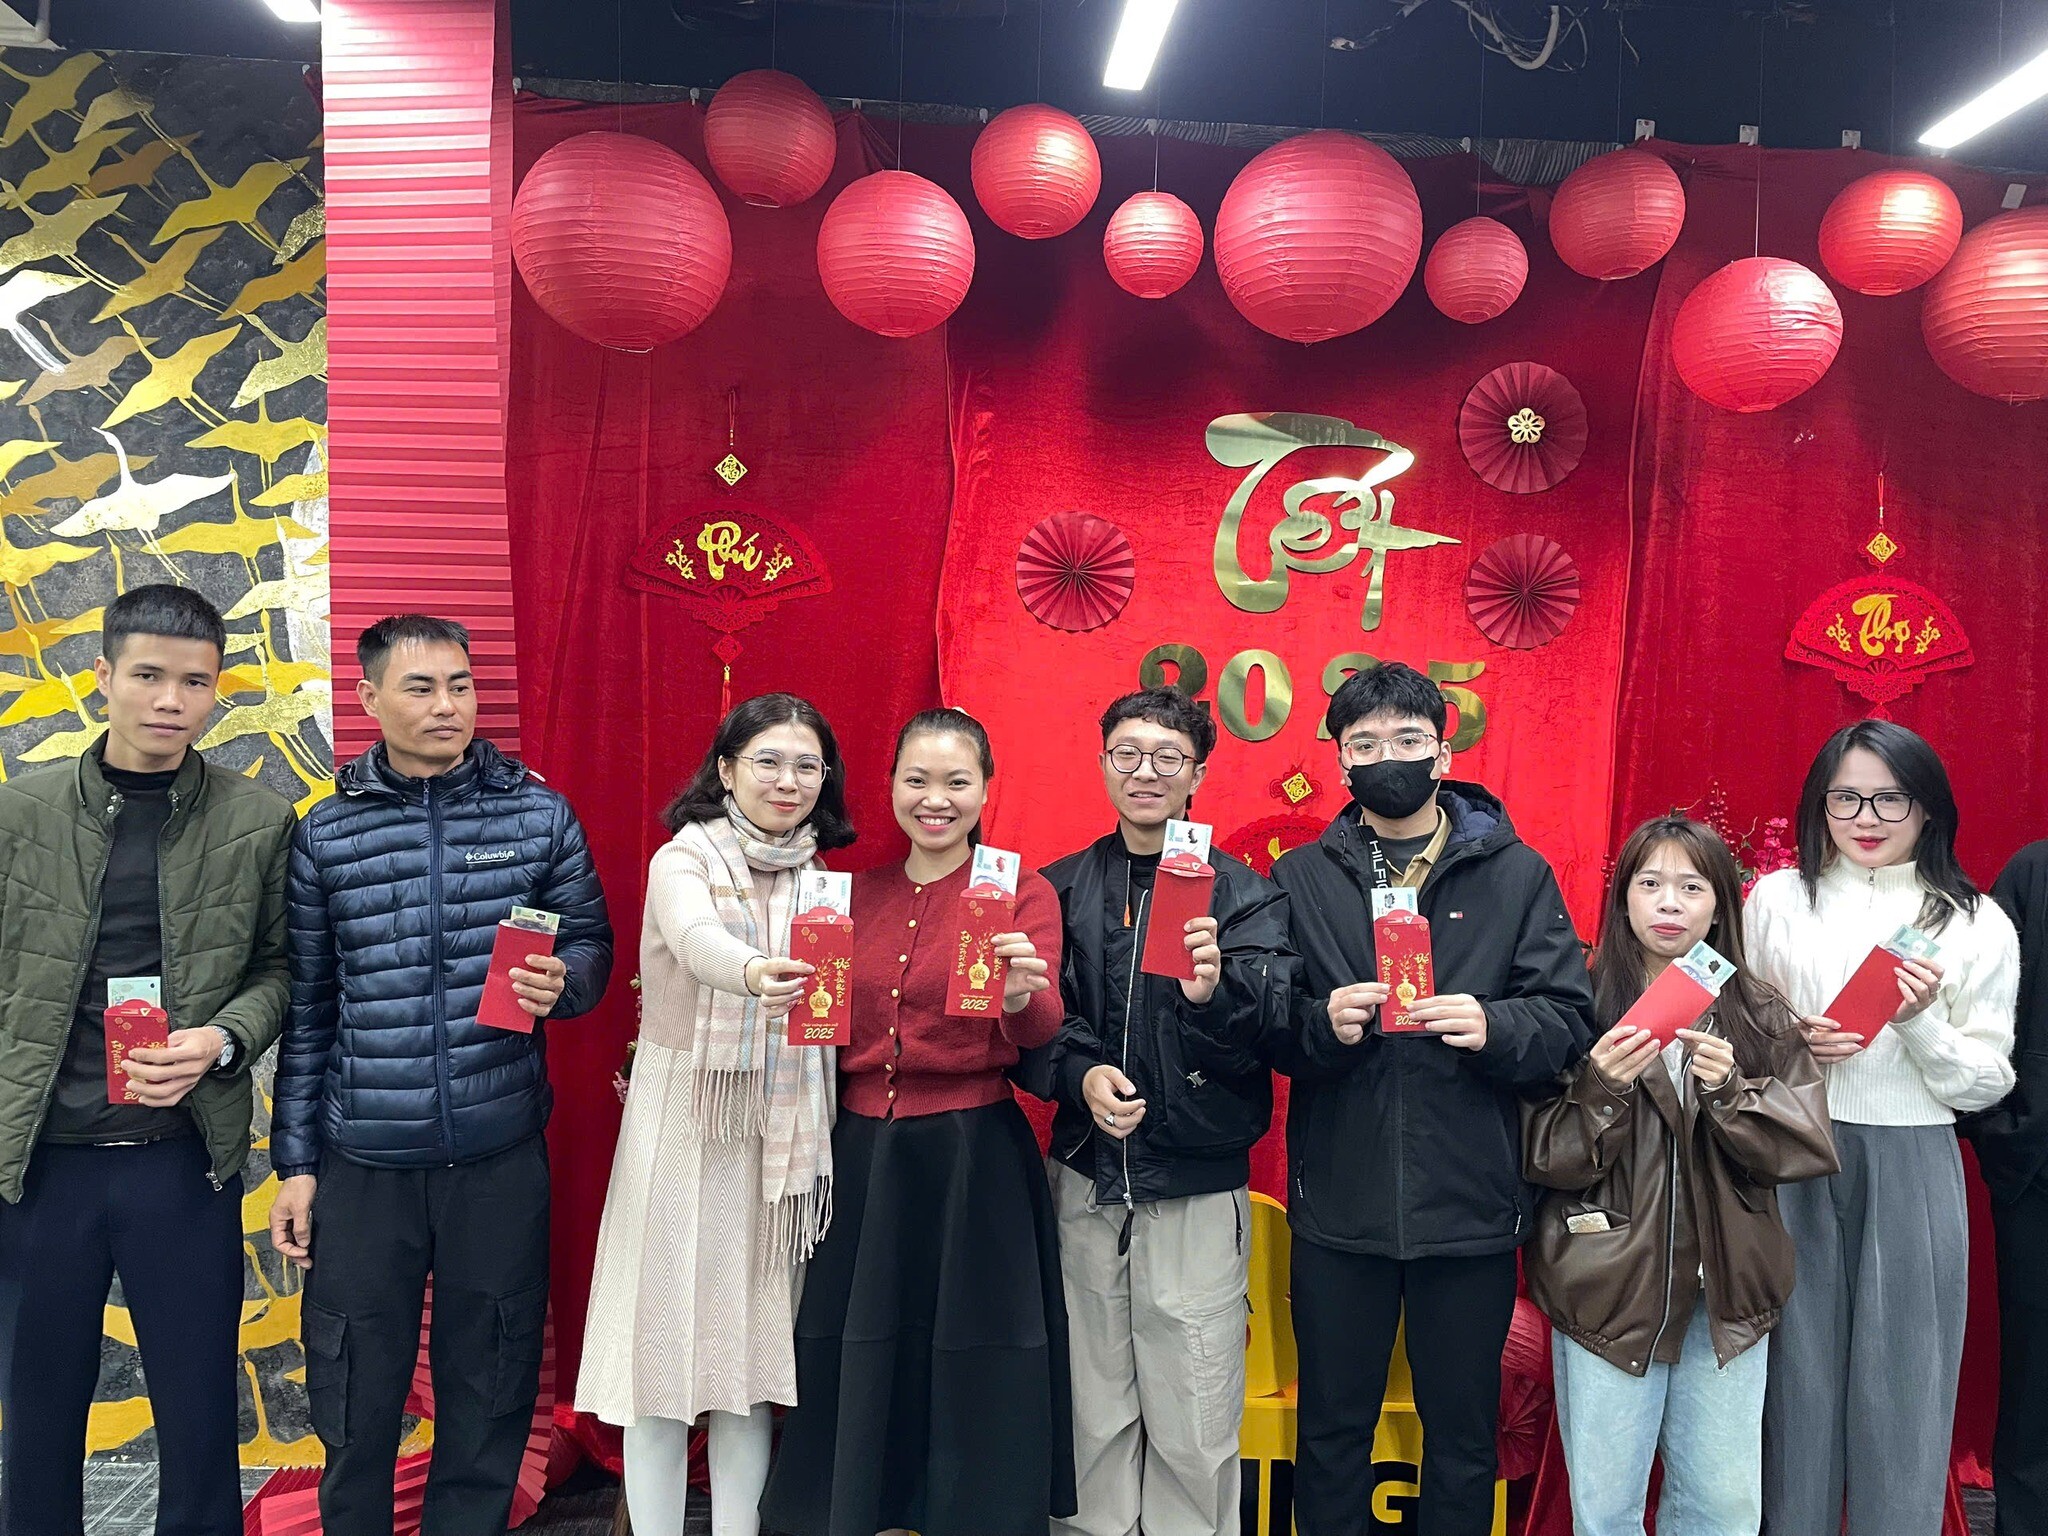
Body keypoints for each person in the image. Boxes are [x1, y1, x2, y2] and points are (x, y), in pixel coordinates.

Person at [270, 615, 614, 1536]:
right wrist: (295, 1164)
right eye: (420, 688)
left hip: (498, 1150)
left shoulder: (537, 815)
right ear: (369, 698)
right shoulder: (326, 833)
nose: (447, 705)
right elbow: (309, 1008)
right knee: (352, 1383)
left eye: (460, 685)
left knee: (492, 1378)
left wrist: (566, 981)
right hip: (363, 1158)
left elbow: (590, 945)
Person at [1270, 660, 1595, 1536]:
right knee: (1331, 1429)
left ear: (1444, 754)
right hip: (1340, 1206)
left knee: (1462, 1435)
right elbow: (1265, 1024)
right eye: (1366, 744)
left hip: (1471, 1206)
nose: (1389, 758)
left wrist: (1495, 1024)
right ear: (1341, 761)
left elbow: (1569, 1022)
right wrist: (1320, 1025)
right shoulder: (1300, 877)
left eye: (1408, 740)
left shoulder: (1517, 873)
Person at [0, 584, 295, 1536]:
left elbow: (282, 969)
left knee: (200, 1408)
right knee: (38, 1412)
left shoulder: (257, 819)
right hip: (42, 1165)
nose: (171, 700)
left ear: (217, 690)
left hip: (181, 1160)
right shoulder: (20, 812)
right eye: (149, 676)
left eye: (195, 682)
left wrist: (222, 1040)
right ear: (103, 677)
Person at [759, 708, 1072, 1536]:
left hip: (974, 1154)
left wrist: (1021, 996)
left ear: (985, 789)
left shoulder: (1022, 892)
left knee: (975, 1346)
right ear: (891, 785)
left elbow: (1040, 1028)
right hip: (861, 1154)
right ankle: (858, 1508)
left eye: (956, 782)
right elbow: (818, 1030)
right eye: (917, 780)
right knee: (858, 1341)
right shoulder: (847, 893)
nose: (936, 799)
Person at [578, 694, 853, 1536]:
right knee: (659, 1366)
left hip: (780, 1134)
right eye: (768, 761)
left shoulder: (822, 880)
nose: (788, 780)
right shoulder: (683, 858)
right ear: (726, 769)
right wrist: (754, 972)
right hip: (685, 1123)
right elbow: (696, 937)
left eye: (807, 765)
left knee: (749, 1369)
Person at [1024, 685, 1295, 1536]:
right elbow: (1032, 1027)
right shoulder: (1058, 887)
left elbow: (1277, 1029)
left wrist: (1215, 995)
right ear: (1103, 763)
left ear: (1198, 774)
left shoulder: (1246, 896)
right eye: (1128, 754)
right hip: (1084, 1179)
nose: (1146, 772)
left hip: (1195, 1185)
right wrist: (1079, 1076)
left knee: (1195, 1407)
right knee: (1090, 1404)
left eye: (1168, 757)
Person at [1523, 816, 1838, 1536]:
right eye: (1651, 883)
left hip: (1724, 1293)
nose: (1670, 902)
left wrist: (1730, 1093)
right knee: (1606, 1510)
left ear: (1721, 904)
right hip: (1606, 1288)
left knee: (1722, 1509)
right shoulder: (1575, 1000)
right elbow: (1543, 1157)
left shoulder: (1758, 1010)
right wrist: (1600, 1086)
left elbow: (1806, 1145)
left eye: (1692, 887)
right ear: (1623, 898)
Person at [1745, 720, 2017, 1536]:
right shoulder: (1776, 900)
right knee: (1795, 1380)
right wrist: (1791, 1042)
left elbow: (1988, 1080)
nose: (1867, 818)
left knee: (1906, 1382)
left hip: (1913, 1159)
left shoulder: (1975, 921)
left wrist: (1919, 1023)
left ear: (1928, 808)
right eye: (1847, 798)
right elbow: (1735, 1031)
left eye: (1891, 799)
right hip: (1795, 1150)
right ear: (1818, 805)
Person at [1972, 839, 2048, 1536]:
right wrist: (2008, 1130)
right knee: (2035, 1375)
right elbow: (1984, 1000)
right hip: (2040, 1170)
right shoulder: (2033, 870)